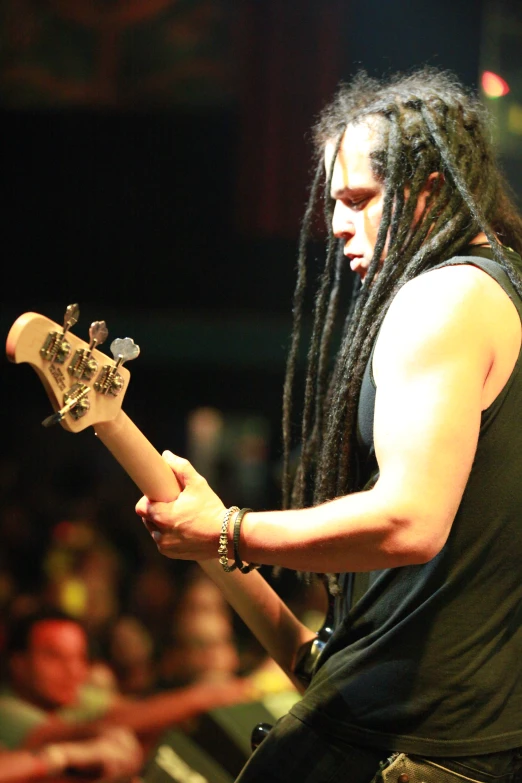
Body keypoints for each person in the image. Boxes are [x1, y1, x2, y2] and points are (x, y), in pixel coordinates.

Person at [135, 68, 522, 783]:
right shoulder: (506, 293)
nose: (337, 221)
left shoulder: (443, 296)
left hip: (402, 746)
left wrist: (230, 531)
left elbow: (410, 522)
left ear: (428, 186)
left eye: (359, 199)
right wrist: (219, 529)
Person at [0, 607, 253, 757]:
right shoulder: (7, 711)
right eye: (55, 657)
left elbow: (135, 712)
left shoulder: (72, 697)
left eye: (79, 657)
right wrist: (206, 696)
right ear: (19, 664)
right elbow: (94, 729)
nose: (73, 670)